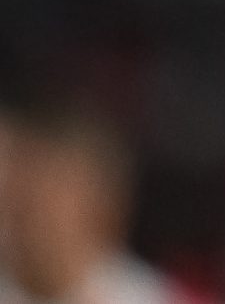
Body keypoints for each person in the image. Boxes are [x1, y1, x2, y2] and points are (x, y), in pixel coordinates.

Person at [0, 109, 183, 304]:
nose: (36, 211)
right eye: (30, 192)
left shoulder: (151, 298)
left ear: (100, 207)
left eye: (57, 192)